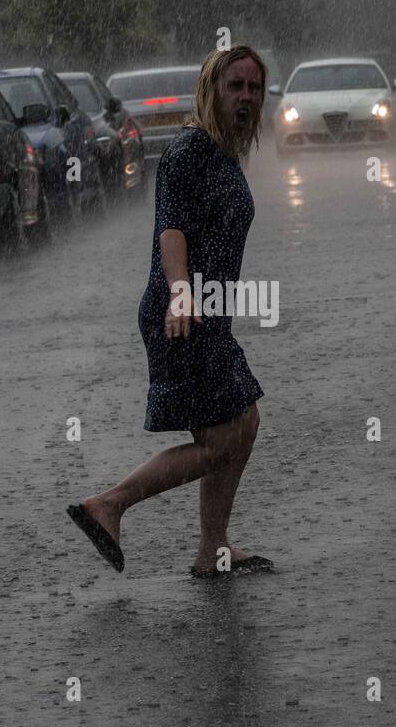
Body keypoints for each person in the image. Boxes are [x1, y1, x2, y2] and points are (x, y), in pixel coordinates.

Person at [67, 45, 271, 579]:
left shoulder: (223, 153)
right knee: (222, 438)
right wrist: (181, 293)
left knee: (243, 420)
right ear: (212, 91)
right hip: (182, 312)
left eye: (254, 87)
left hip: (207, 313)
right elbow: (171, 230)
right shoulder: (189, 152)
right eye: (236, 86)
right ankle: (109, 505)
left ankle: (213, 549)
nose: (246, 97)